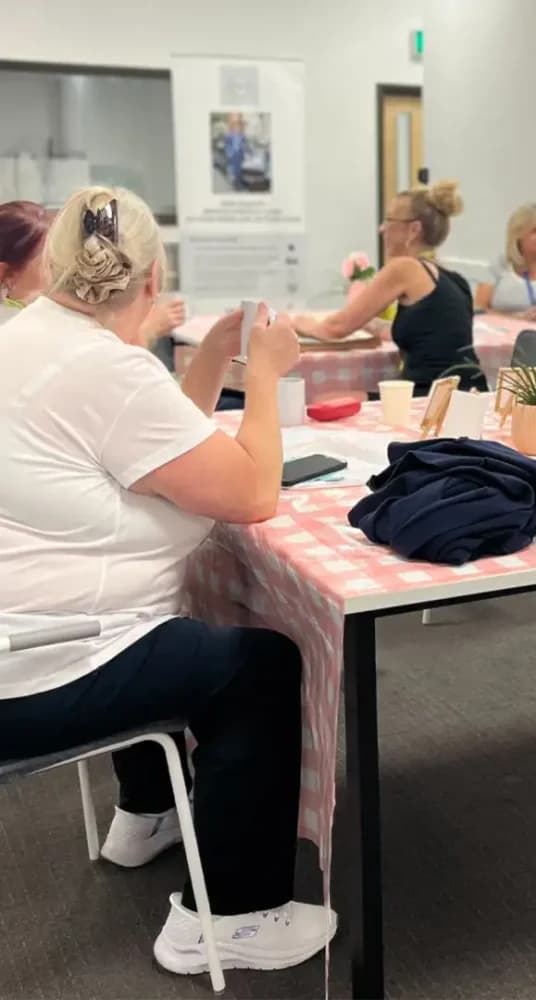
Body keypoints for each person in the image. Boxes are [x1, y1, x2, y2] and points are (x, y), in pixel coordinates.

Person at [0, 185, 336, 975]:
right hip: (42, 669)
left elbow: (159, 447)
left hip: (25, 637)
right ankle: (228, 920)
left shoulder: (29, 338)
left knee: (168, 625)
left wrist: (214, 355)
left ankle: (146, 814)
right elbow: (252, 492)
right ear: (153, 279)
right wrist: (263, 378)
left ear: (53, 267)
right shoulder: (106, 370)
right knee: (254, 667)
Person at [296, 180, 488, 394]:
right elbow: (427, 336)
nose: (382, 229)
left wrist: (295, 323)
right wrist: (367, 323)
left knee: (324, 398)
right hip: (471, 391)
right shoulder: (456, 281)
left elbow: (335, 328)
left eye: (388, 220)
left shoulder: (404, 268)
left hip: (430, 396)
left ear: (414, 229)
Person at [0, 198, 185, 338]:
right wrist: (144, 331)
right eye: (50, 264)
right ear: (5, 275)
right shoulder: (18, 332)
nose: (65, 272)